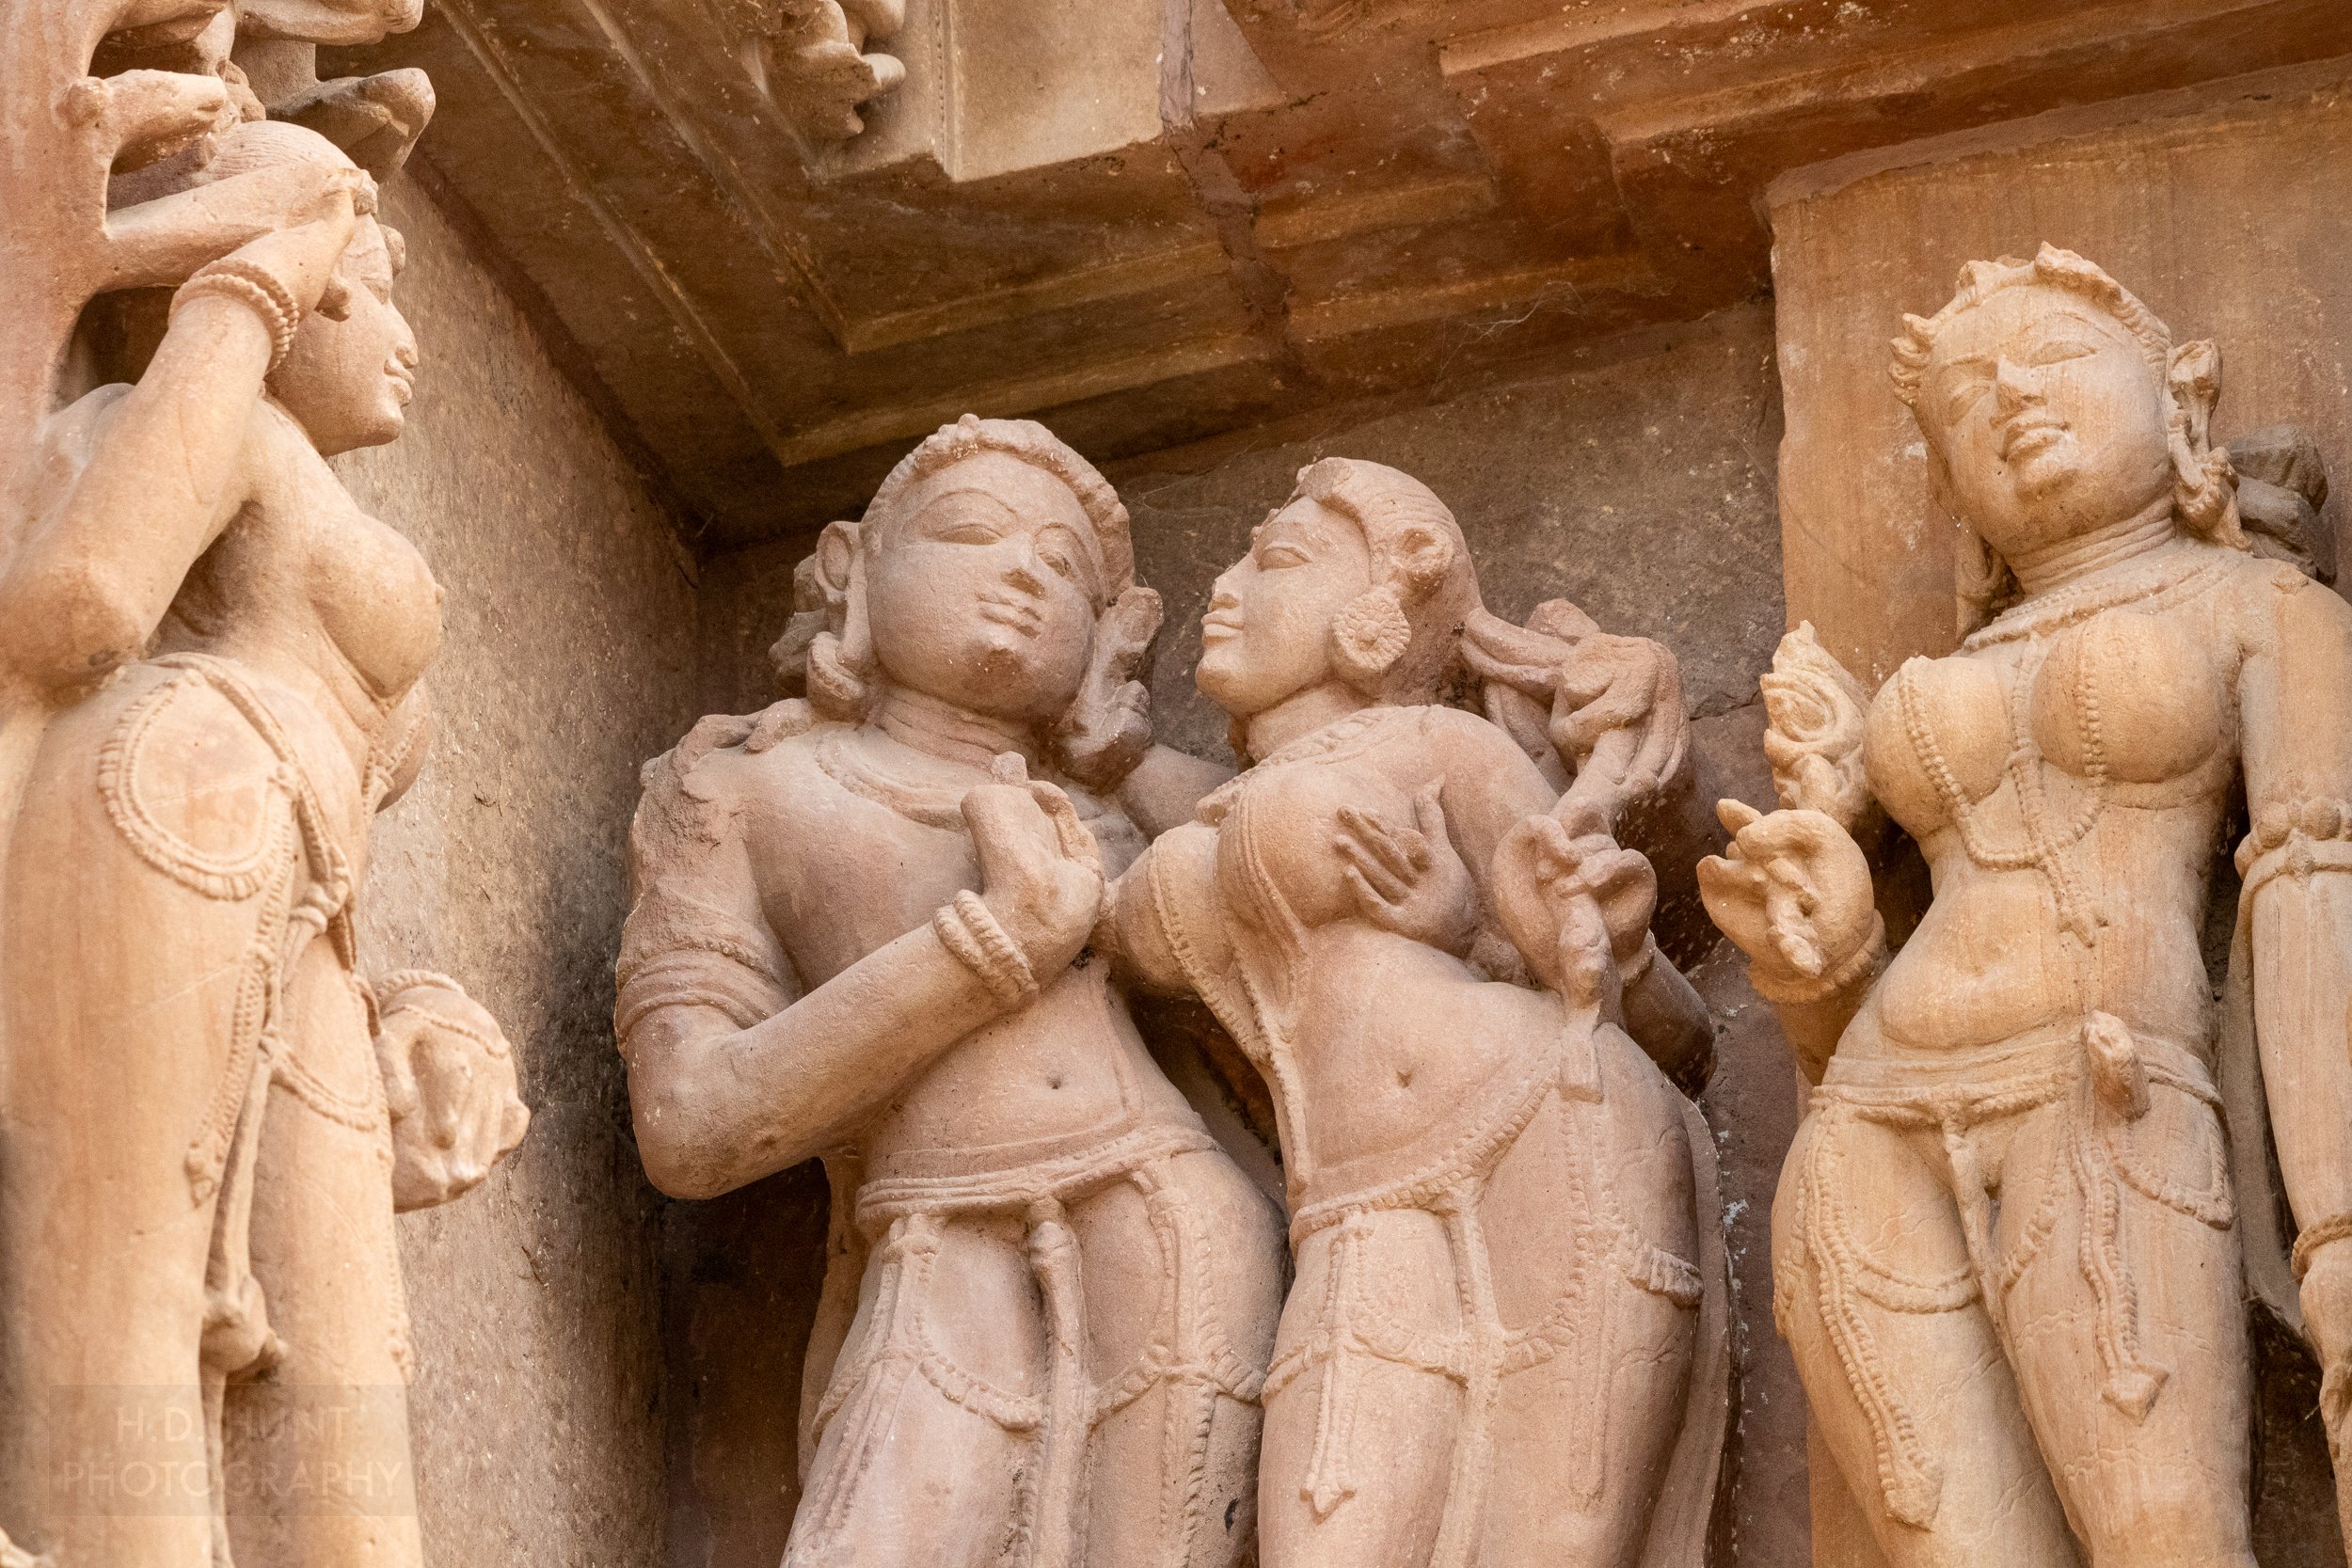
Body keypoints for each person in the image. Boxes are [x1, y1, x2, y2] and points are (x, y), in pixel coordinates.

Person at [1700, 244, 2352, 1564]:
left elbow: (2308, 893)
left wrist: (2335, 1227)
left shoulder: (2263, 609)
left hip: (2106, 1095)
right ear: (1949, 486)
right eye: (1964, 400)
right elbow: (1834, 983)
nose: (2008, 397)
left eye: (2053, 358)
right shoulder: (1942, 670)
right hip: (1872, 1114)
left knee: (2168, 1538)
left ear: (2179, 394)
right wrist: (1818, 952)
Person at [617, 415, 1286, 1568]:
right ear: (851, 567)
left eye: (1062, 567)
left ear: (1110, 635)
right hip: (930, 1233)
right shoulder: (749, 789)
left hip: (1171, 1221)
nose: (1022, 572)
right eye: (971, 531)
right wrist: (989, 947)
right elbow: (688, 1124)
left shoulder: (1126, 805)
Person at [0, 119, 527, 1568]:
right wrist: (248, 285)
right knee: (130, 1263)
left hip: (301, 896)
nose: (408, 335)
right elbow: (82, 603)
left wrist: (420, 1010)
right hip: (172, 807)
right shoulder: (206, 414)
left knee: (350, 1378)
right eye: (373, 283)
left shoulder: (298, 471)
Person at [1102, 456, 1726, 1568]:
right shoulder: (1187, 802)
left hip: (1543, 1119)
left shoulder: (1443, 746)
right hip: (1349, 1202)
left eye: (1277, 559)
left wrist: (1582, 933)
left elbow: (1676, 1036)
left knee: (1555, 1542)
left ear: (1381, 604)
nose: (1226, 585)